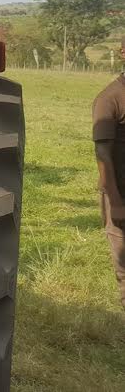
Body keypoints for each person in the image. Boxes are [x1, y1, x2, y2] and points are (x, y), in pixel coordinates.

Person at [92, 37, 125, 311]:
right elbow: (102, 155)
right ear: (123, 52)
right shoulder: (109, 98)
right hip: (119, 192)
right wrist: (115, 202)